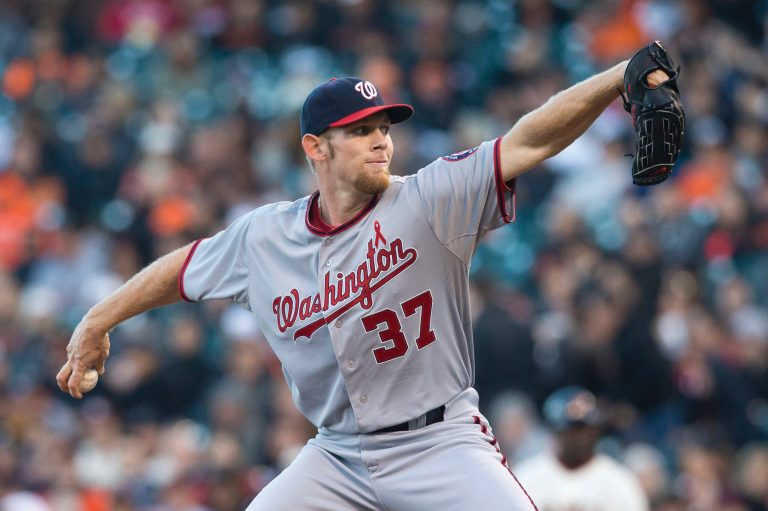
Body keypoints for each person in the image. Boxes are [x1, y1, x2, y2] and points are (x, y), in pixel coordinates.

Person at [57, 51, 670, 510]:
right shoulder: (264, 237)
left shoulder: (430, 199)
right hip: (337, 455)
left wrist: (617, 78)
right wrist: (98, 319)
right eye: (360, 131)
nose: (380, 142)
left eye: (383, 128)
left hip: (439, 443)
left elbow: (531, 139)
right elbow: (183, 269)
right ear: (315, 148)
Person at [514, 386, 650, 511]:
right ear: (555, 432)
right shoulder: (525, 479)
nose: (580, 438)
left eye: (585, 431)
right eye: (572, 431)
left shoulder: (620, 482)